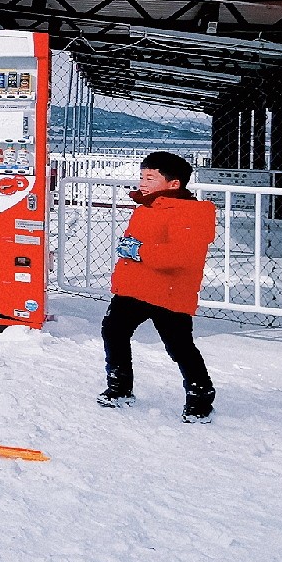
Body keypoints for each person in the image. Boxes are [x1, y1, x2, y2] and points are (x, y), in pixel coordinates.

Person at [98, 150, 218, 423]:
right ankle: (119, 387)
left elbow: (181, 255)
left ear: (174, 184)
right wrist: (131, 251)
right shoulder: (147, 207)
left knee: (179, 346)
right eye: (142, 176)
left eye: (150, 178)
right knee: (114, 330)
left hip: (169, 291)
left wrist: (139, 251)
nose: (143, 182)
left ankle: (201, 396)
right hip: (136, 287)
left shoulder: (192, 213)